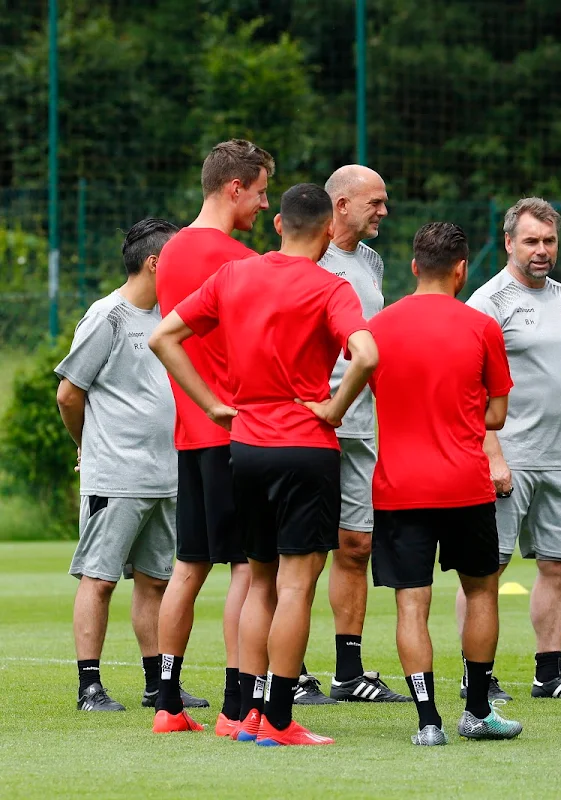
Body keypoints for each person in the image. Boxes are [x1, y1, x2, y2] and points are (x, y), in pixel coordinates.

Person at [150, 183, 378, 746]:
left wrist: (209, 404)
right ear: (330, 231)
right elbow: (368, 354)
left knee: (258, 582)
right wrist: (334, 406)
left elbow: (163, 336)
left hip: (245, 447)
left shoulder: (233, 276)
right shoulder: (332, 286)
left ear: (278, 224)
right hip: (306, 448)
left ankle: (245, 714)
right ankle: (279, 719)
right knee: (297, 587)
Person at [368, 222, 523, 746]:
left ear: (414, 266)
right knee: (481, 592)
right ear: (461, 269)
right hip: (464, 484)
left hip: (398, 487)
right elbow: (497, 415)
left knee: (412, 603)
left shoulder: (379, 326)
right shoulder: (481, 326)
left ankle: (428, 721)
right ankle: (478, 711)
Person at [454, 197, 561, 702]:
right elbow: (469, 389)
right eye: (532, 241)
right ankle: (477, 675)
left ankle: (549, 672)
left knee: (560, 566)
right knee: (486, 570)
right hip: (506, 456)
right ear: (510, 242)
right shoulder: (487, 303)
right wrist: (492, 455)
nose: (542, 251)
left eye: (550, 241)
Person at [152, 139, 274, 734]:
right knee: (249, 569)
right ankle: (235, 707)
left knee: (188, 567)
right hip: (234, 429)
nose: (262, 203)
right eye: (260, 191)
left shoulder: (170, 252)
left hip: (188, 433)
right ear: (235, 188)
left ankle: (168, 705)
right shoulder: (237, 260)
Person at [56, 219, 181, 712]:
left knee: (155, 581)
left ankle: (158, 685)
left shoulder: (170, 316)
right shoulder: (106, 315)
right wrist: (86, 444)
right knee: (101, 578)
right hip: (116, 474)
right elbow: (69, 393)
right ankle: (90, 688)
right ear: (155, 263)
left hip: (165, 474)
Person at [294, 165, 406, 705]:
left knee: (356, 545)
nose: (384, 211)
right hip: (311, 421)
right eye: (375, 202)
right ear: (340, 205)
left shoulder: (372, 261)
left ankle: (348, 671)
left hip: (360, 424)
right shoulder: (307, 257)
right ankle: (288, 669)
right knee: (303, 550)